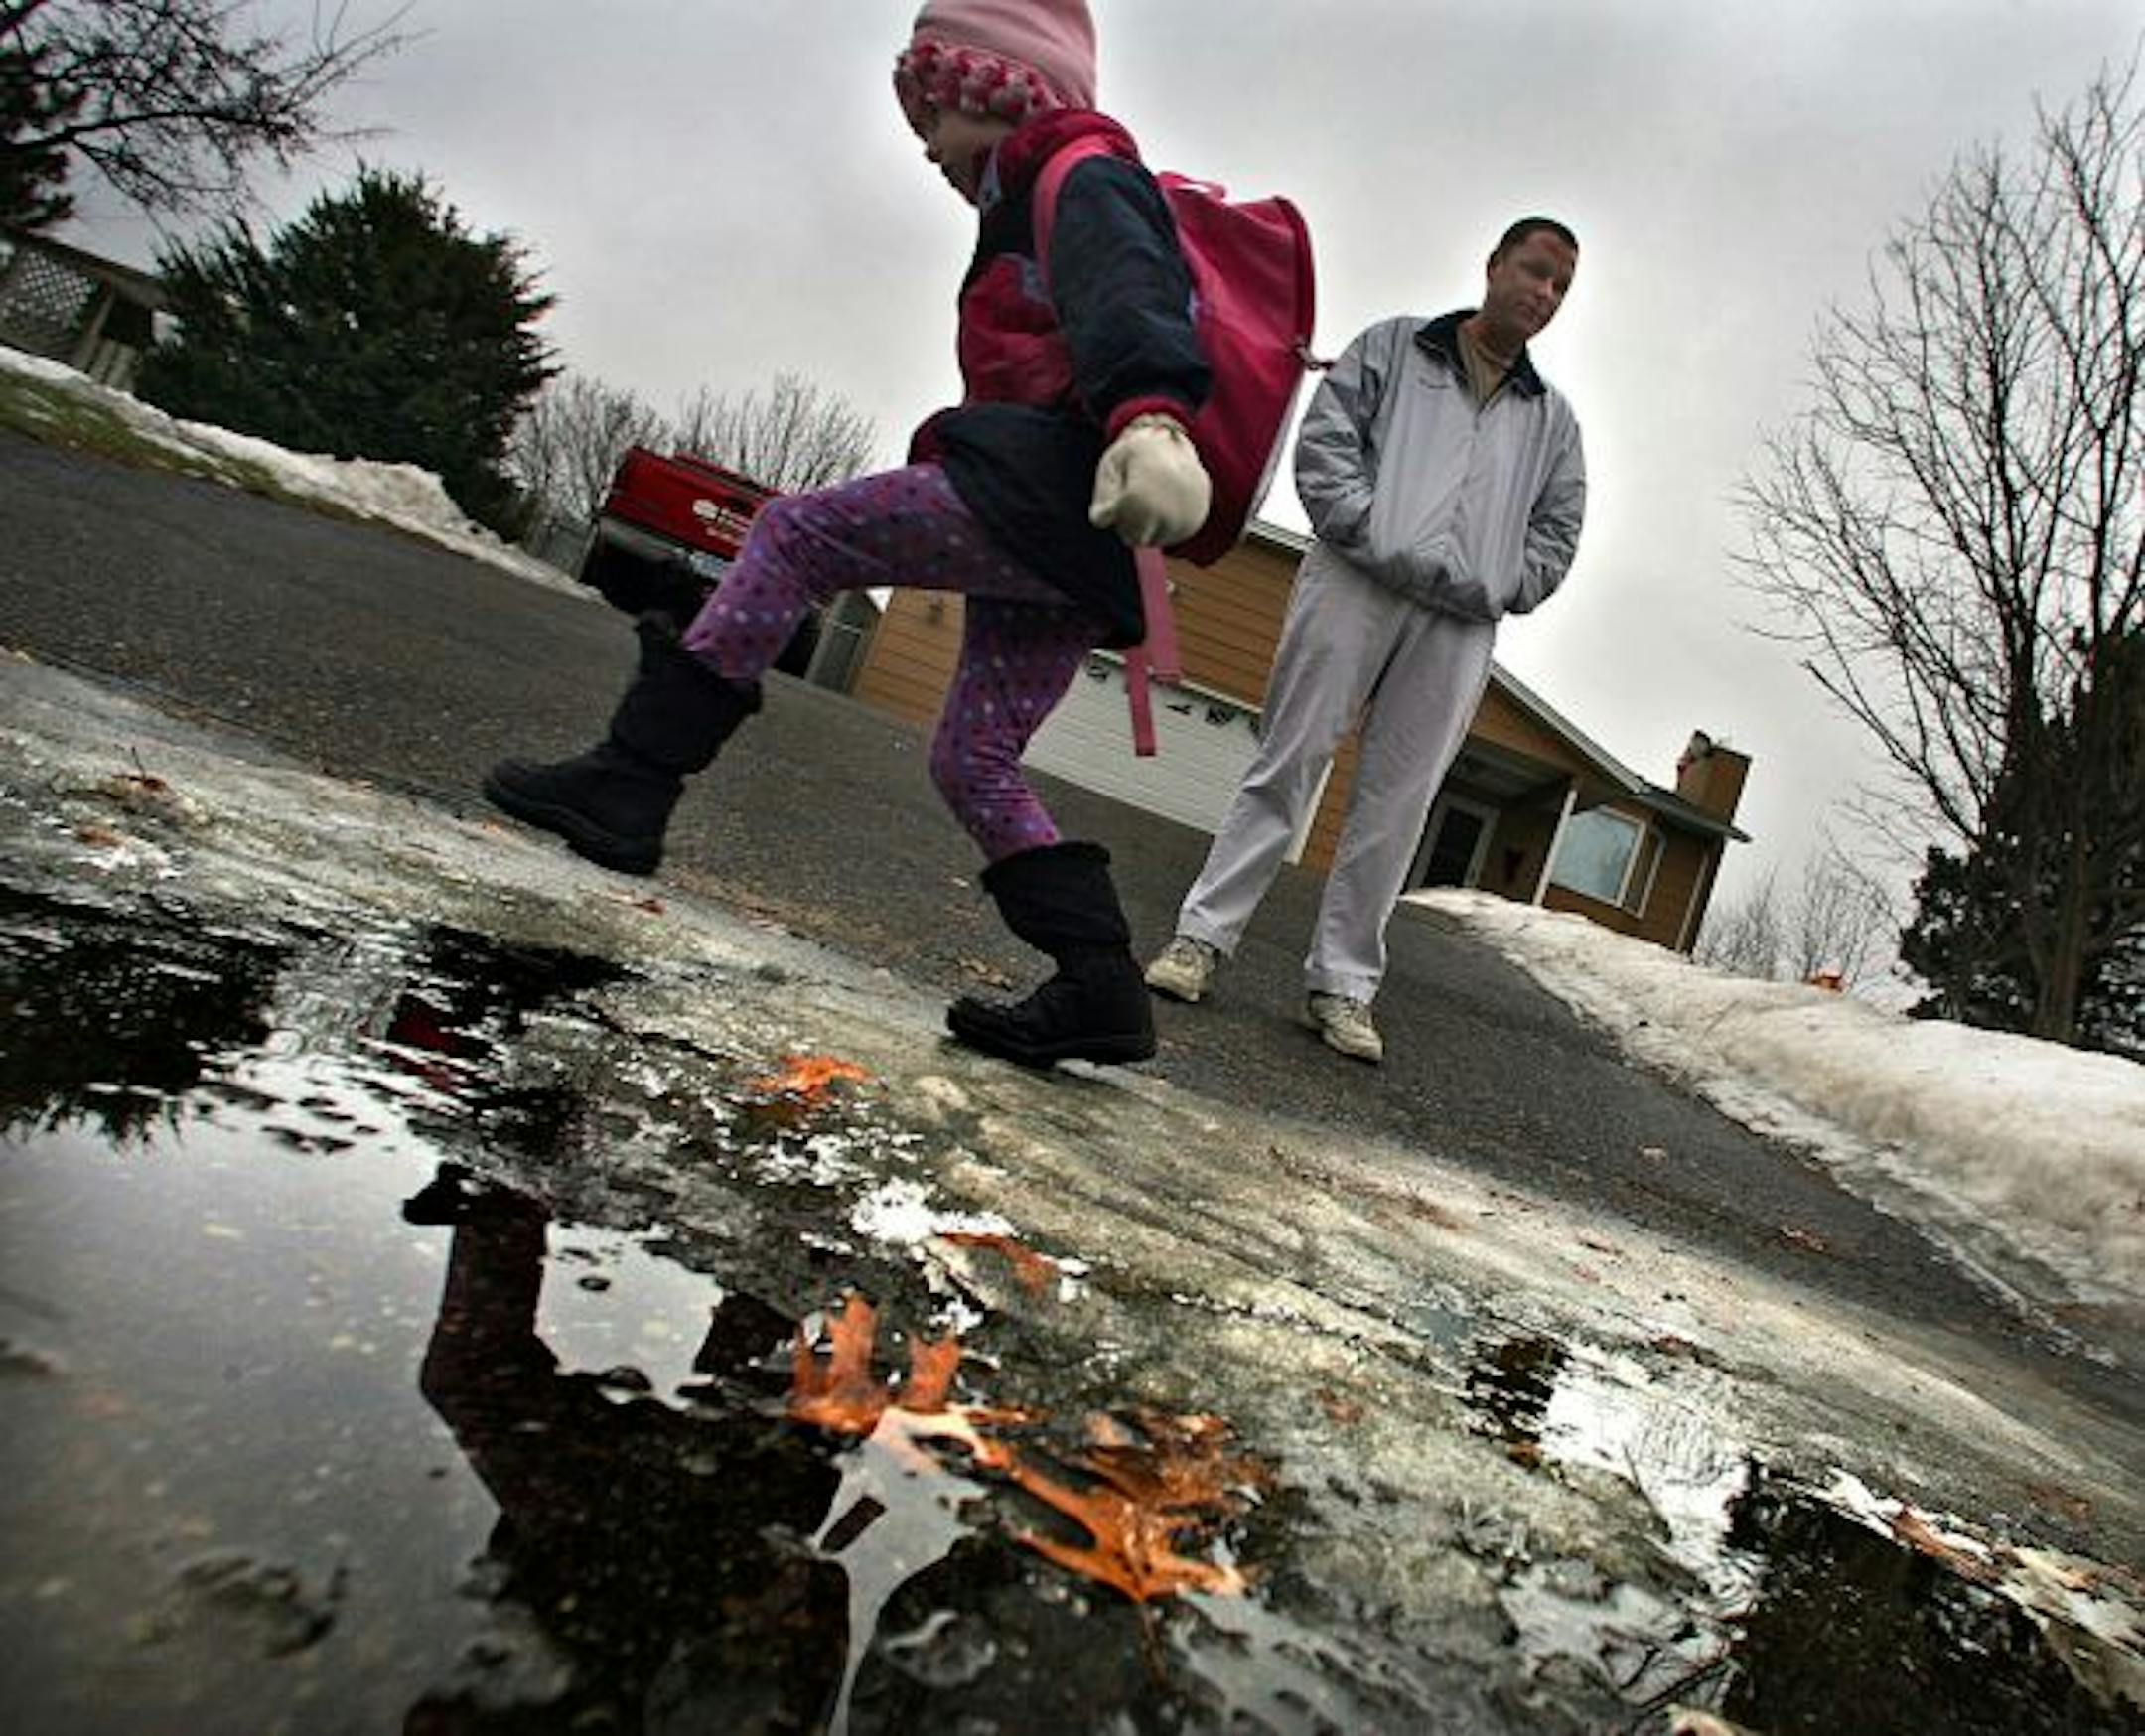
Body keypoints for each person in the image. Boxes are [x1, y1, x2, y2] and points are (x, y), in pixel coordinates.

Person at [484, 0, 1213, 1071]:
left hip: (1045, 494)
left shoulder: (1078, 167)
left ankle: (633, 779)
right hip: (1075, 537)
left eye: (934, 104)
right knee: (975, 755)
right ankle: (1100, 980)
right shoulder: (1024, 194)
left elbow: (1134, 290)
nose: (924, 141)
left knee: (792, 535)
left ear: (998, 82)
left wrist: (1152, 413)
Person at [1143, 218, 1585, 1064]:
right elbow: (1327, 442)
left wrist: (1502, 583)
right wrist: (1369, 531)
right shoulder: (1392, 348)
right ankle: (1201, 939)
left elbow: (1558, 530)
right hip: (1354, 583)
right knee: (1291, 759)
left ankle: (1342, 986)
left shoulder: (1551, 421)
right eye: (1534, 271)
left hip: (1458, 624)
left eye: (1561, 288)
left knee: (1400, 800)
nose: (1544, 294)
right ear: (1492, 265)